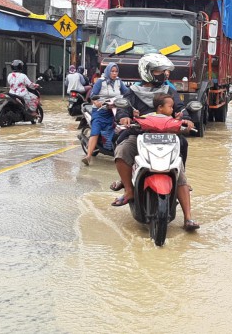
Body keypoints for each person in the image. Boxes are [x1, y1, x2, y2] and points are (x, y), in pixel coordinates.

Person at [111, 53, 199, 231]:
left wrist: (187, 119)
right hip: (140, 134)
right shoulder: (133, 92)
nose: (164, 74)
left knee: (183, 147)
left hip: (167, 136)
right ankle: (128, 187)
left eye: (164, 71)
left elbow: (180, 109)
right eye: (159, 71)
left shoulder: (168, 91)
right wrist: (124, 118)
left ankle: (188, 217)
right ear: (147, 72)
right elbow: (124, 108)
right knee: (121, 149)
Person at [82, 62, 128, 166]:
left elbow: (127, 92)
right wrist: (96, 102)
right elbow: (93, 94)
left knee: (121, 128)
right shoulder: (100, 82)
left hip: (113, 111)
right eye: (112, 71)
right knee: (95, 132)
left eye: (116, 71)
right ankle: (88, 156)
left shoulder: (119, 82)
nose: (114, 73)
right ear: (107, 71)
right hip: (99, 111)